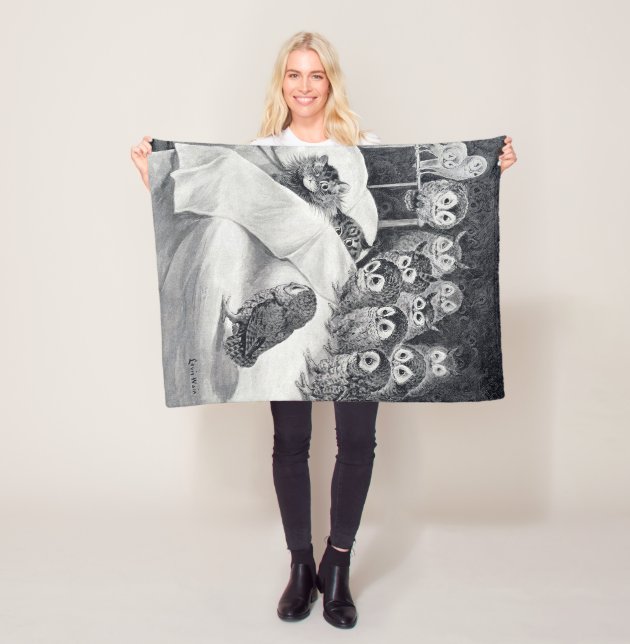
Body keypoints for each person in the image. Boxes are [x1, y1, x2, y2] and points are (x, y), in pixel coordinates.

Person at [130, 30, 517, 631]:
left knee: (357, 441)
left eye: (316, 75)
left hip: (349, 295)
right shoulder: (262, 150)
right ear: (281, 83)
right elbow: (220, 213)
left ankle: (338, 565)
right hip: (283, 291)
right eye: (294, 74)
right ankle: (300, 564)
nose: (305, 86)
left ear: (331, 82)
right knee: (290, 440)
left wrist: (490, 169)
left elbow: (375, 228)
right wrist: (155, 173)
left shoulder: (363, 149)